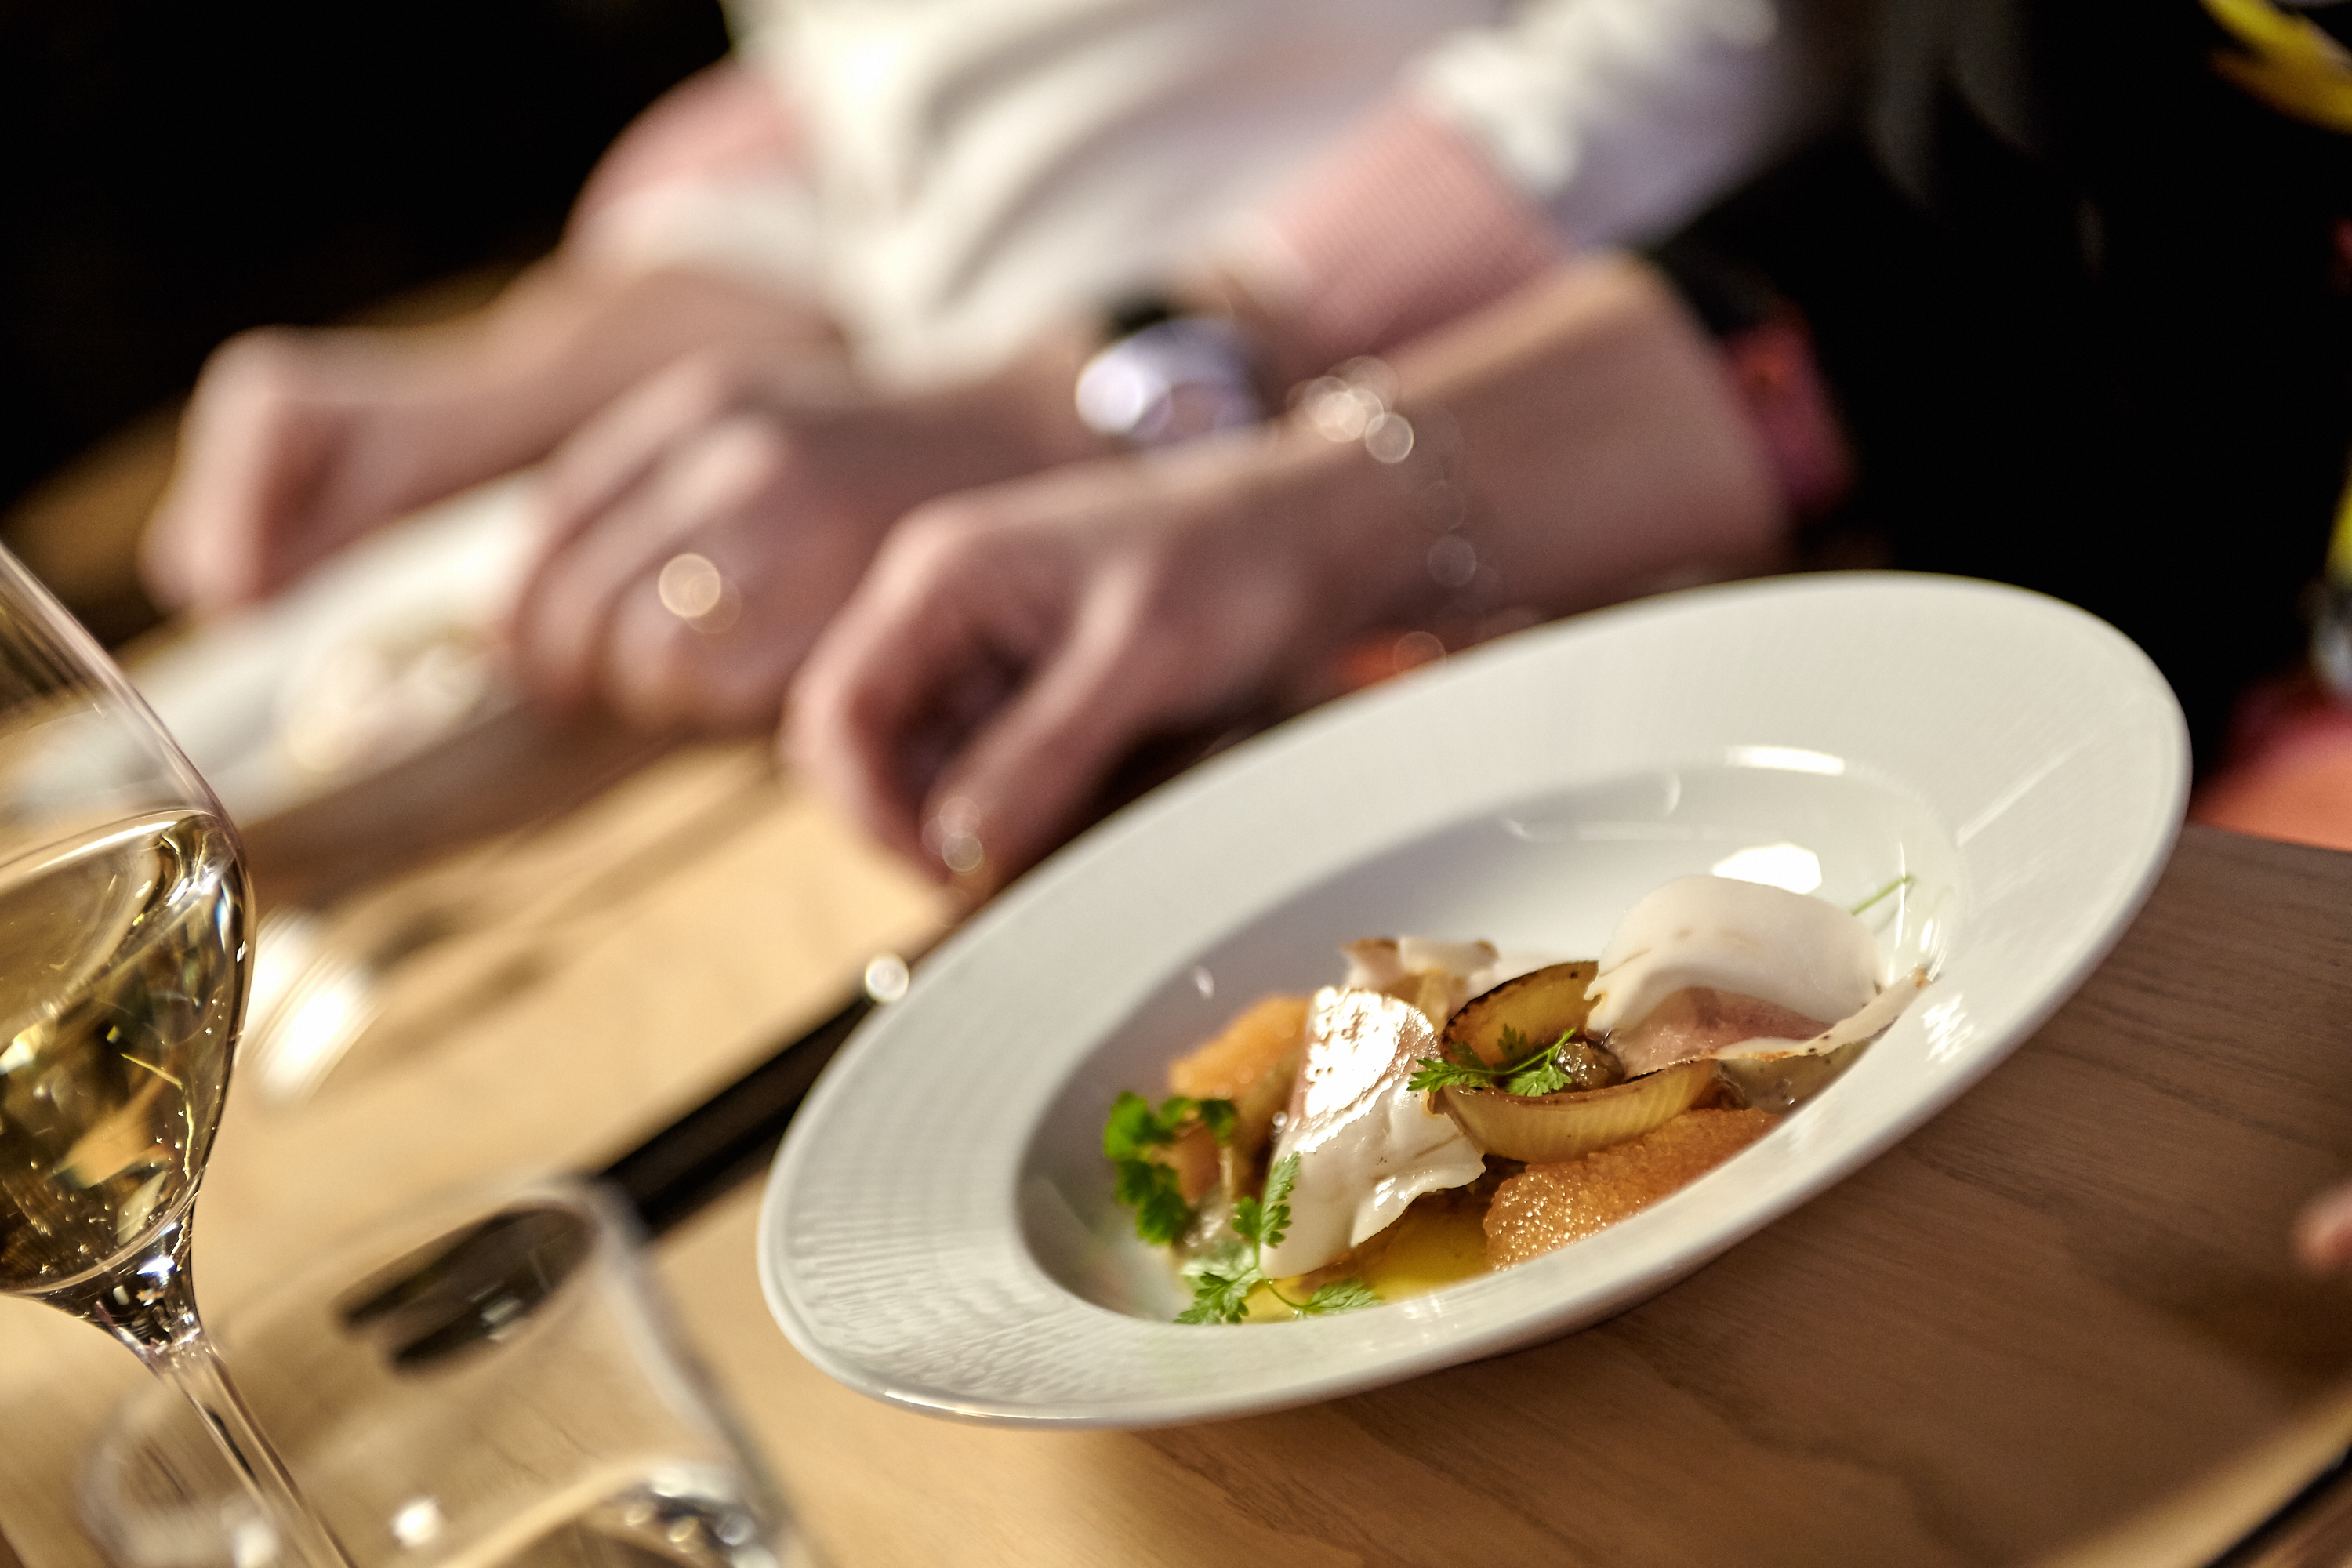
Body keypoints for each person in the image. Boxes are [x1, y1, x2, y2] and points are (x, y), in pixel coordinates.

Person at [140, 0, 1864, 734]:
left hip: (1600, 569)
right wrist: (527, 374)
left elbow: (1742, 31)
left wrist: (1101, 394)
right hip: (1041, 647)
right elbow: (874, 108)